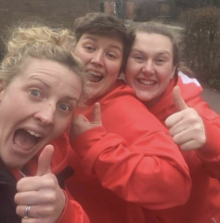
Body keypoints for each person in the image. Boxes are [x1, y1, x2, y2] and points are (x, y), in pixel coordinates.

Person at [124, 23, 220, 223]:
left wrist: (211, 139)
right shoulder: (111, 103)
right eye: (139, 57)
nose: (148, 69)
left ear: (173, 70)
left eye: (160, 60)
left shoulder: (193, 114)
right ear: (123, 64)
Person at [64, 13, 192, 223]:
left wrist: (94, 146)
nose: (97, 60)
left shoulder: (123, 107)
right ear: (72, 50)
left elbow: (175, 185)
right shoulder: (60, 95)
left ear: (120, 69)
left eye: (111, 55)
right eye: (89, 48)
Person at [0, 25, 89, 223]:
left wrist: (63, 214)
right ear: (2, 88)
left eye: (64, 106)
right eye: (35, 93)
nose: (48, 117)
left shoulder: (43, 168)